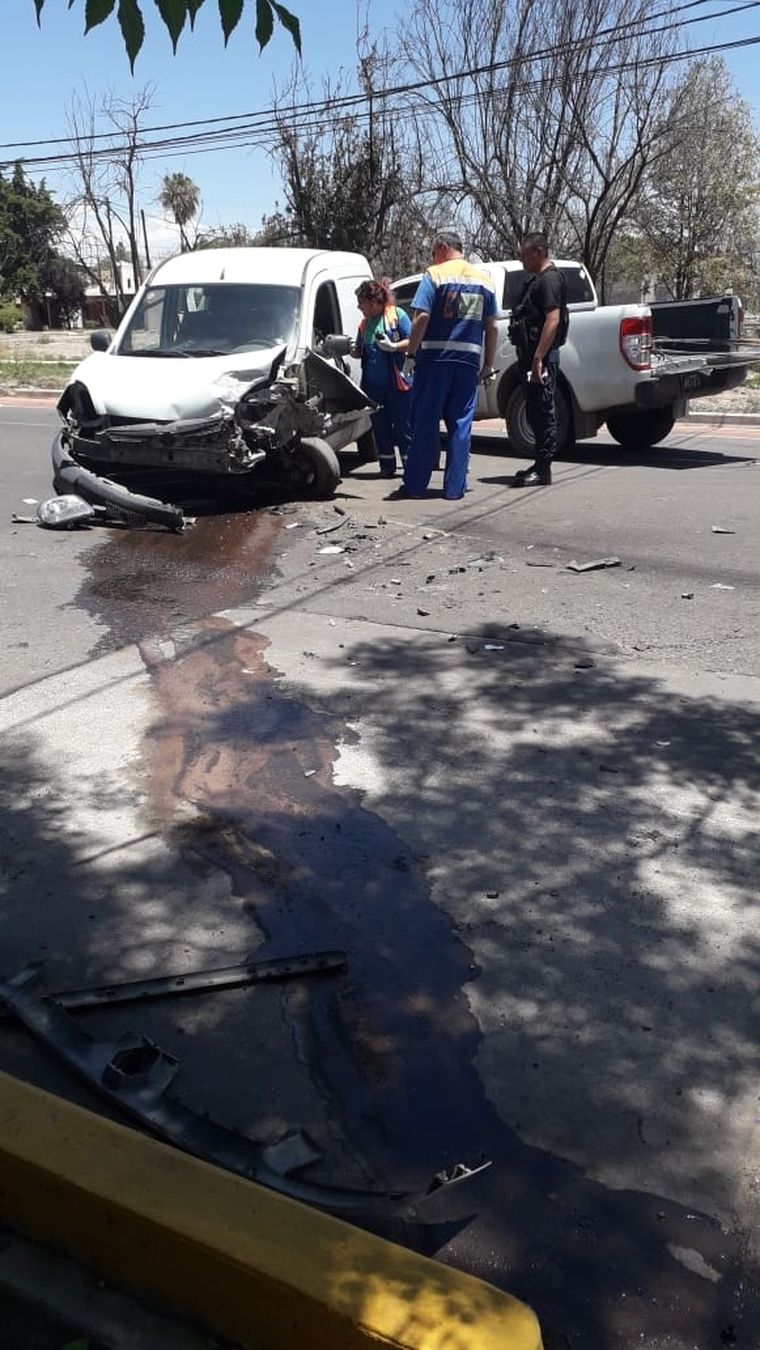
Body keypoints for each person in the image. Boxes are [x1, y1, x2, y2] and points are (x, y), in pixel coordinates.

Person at [401, 230, 497, 501]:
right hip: (467, 364)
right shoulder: (485, 281)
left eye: (433, 253)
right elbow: (492, 328)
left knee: (425, 424)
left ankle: (415, 486)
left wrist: (410, 355)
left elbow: (420, 319)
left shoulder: (435, 275)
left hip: (434, 361)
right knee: (461, 425)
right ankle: (454, 489)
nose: (432, 258)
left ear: (443, 248)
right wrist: (487, 365)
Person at [509, 232, 569, 487]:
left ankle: (544, 470)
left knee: (543, 412)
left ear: (538, 252)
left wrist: (538, 357)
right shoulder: (537, 280)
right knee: (534, 411)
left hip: (541, 359)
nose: (522, 260)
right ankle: (539, 463)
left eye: (525, 255)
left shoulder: (550, 280)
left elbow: (552, 320)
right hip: (532, 356)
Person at [353, 278, 412, 478]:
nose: (359, 307)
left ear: (374, 302)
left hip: (397, 385)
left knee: (403, 426)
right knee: (380, 428)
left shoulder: (397, 316)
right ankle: (387, 468)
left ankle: (411, 468)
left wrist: (394, 347)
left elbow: (413, 340)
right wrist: (349, 349)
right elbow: (360, 350)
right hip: (374, 388)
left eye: (361, 302)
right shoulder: (364, 324)